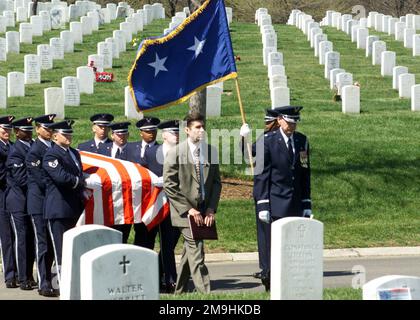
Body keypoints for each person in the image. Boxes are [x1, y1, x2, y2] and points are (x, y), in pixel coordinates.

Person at [253, 106, 312, 291]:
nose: (292, 126)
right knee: (270, 243)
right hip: (274, 200)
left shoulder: (302, 141)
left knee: (291, 245)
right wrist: (263, 204)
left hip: (294, 202)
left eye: (295, 122)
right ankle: (269, 277)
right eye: (289, 121)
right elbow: (261, 175)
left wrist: (306, 202)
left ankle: (289, 278)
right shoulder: (267, 141)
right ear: (279, 120)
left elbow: (304, 173)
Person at [163, 112, 221, 294]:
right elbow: (169, 185)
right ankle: (206, 295)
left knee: (190, 253)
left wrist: (211, 208)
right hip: (184, 213)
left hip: (204, 210)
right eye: (197, 127)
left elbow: (216, 183)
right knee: (197, 251)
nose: (202, 130)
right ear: (187, 130)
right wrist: (189, 209)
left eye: (203, 127)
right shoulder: (175, 153)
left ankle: (179, 293)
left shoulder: (211, 151)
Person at [42, 120, 85, 287]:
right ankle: (62, 284)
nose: (69, 136)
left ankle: (73, 283)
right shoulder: (51, 154)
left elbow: (78, 173)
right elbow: (61, 177)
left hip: (74, 207)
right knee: (60, 250)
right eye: (65, 134)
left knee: (73, 248)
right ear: (54, 136)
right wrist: (80, 182)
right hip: (58, 208)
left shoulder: (74, 152)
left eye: (70, 133)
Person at [141, 120, 181, 293]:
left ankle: (169, 279)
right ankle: (158, 278)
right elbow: (143, 175)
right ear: (164, 135)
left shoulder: (184, 152)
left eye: (178, 132)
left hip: (177, 204)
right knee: (149, 242)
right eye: (172, 132)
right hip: (155, 203)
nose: (176, 135)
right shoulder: (151, 153)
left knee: (169, 244)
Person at [239, 109, 279, 282]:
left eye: (269, 122)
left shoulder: (273, 140)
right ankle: (265, 268)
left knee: (270, 234)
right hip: (263, 193)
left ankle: (271, 268)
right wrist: (243, 138)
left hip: (272, 193)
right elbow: (249, 152)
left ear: (277, 122)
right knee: (263, 235)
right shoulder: (265, 138)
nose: (266, 125)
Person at [25, 114, 58, 297]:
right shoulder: (34, 151)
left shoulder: (54, 147)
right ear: (38, 129)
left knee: (52, 245)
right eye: (45, 128)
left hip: (52, 203)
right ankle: (43, 284)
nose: (49, 131)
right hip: (39, 204)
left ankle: (51, 279)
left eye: (50, 128)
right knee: (42, 244)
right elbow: (41, 179)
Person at [5, 117, 37, 291]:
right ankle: (21, 277)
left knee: (31, 239)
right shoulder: (15, 151)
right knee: (21, 239)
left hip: (30, 200)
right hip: (18, 201)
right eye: (25, 130)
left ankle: (29, 275)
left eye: (30, 129)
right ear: (17, 133)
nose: (29, 132)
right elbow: (21, 178)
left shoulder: (32, 146)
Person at [127, 116, 160, 247]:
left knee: (150, 233)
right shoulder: (130, 148)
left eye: (153, 131)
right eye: (147, 131)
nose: (151, 133)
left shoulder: (162, 149)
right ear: (141, 133)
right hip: (134, 197)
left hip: (153, 197)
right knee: (136, 231)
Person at [98, 122, 133, 243]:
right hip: (107, 198)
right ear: (112, 135)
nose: (121, 137)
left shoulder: (135, 151)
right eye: (118, 134)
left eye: (124, 134)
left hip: (127, 199)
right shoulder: (102, 150)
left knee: (124, 233)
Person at [0, 115, 18, 288]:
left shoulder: (12, 146)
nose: (7, 132)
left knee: (16, 235)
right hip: (2, 194)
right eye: (4, 129)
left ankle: (19, 271)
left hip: (13, 195)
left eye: (9, 129)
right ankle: (10, 274)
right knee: (6, 237)